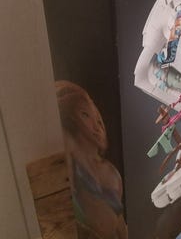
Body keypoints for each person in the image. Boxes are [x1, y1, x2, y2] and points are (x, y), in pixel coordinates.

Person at [55, 81, 128, 239]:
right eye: (85, 115)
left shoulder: (110, 172)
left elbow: (119, 222)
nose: (97, 126)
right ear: (71, 119)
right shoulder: (72, 153)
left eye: (98, 119)